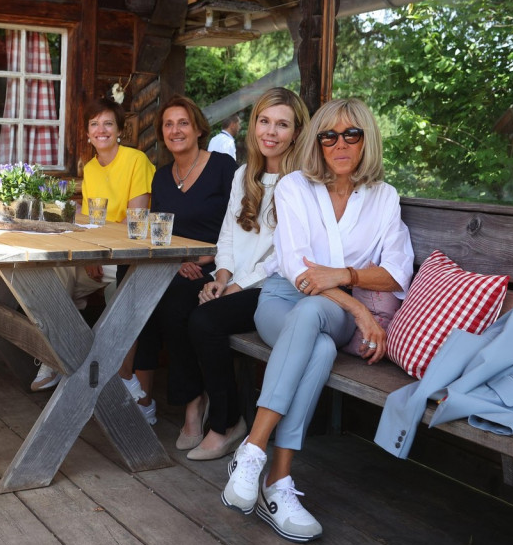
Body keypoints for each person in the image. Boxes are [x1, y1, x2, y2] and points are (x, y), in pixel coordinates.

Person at [221, 98, 414, 543]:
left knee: (314, 316)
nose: (340, 143)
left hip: (331, 307)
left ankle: (252, 450)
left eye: (352, 134)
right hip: (280, 300)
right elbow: (295, 268)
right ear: (318, 141)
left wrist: (345, 277)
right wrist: (361, 309)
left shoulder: (384, 198)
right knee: (320, 346)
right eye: (329, 135)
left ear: (367, 139)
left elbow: (396, 273)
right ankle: (278, 481)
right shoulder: (294, 187)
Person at [183, 88, 309, 460]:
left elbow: (281, 256)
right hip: (235, 280)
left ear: (297, 132)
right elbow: (227, 236)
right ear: (253, 126)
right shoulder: (243, 175)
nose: (271, 132)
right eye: (264, 122)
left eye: (282, 124)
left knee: (205, 321)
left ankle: (226, 423)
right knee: (178, 301)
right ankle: (191, 407)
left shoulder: (301, 183)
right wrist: (221, 277)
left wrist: (238, 285)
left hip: (275, 288)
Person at [122, 95, 237, 425]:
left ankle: (192, 401)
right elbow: (161, 232)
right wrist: (176, 260)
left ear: (199, 128)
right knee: (135, 288)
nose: (175, 130)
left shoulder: (222, 168)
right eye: (168, 124)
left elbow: (241, 226)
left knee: (172, 303)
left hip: (217, 266)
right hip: (175, 265)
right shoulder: (161, 177)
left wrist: (206, 257)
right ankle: (138, 390)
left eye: (183, 123)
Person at [31, 97, 154, 391]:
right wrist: (88, 253)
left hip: (126, 256)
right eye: (94, 124)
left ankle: (77, 362)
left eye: (108, 123)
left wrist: (97, 250)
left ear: (119, 130)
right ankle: (57, 357)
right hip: (97, 255)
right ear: (87, 133)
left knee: (113, 292)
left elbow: (135, 222)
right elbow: (87, 220)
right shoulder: (90, 167)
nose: (102, 130)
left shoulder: (136, 161)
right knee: (52, 274)